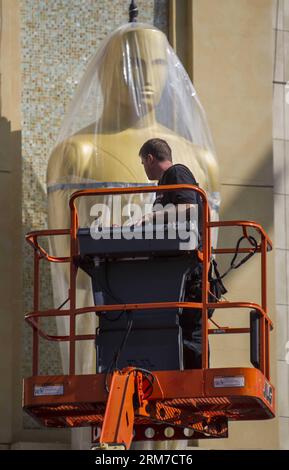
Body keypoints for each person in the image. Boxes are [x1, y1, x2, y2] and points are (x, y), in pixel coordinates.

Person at [138, 138, 204, 369]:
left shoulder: (177, 173)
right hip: (178, 268)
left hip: (191, 270)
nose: (144, 168)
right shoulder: (165, 184)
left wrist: (150, 217)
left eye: (143, 163)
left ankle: (195, 383)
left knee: (191, 332)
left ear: (150, 158)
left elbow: (189, 207)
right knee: (179, 330)